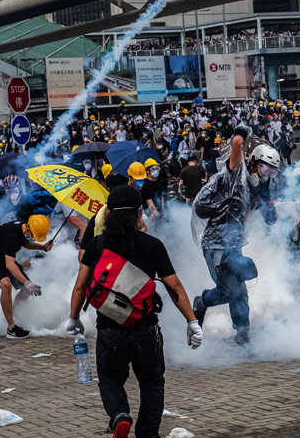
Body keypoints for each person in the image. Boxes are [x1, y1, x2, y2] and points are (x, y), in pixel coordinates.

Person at [65, 185, 202, 438]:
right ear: (139, 212)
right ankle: (148, 433)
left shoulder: (96, 245)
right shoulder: (153, 245)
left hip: (109, 330)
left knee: (109, 380)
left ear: (107, 214)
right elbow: (174, 286)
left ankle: (119, 416)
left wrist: (74, 318)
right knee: (152, 384)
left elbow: (81, 286)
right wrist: (192, 321)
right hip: (145, 330)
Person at [192, 126, 278, 348]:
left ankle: (242, 333)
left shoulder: (257, 189)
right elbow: (237, 144)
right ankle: (201, 302)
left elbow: (270, 219)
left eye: (272, 172)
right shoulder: (235, 176)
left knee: (240, 291)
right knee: (229, 291)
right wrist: (242, 132)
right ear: (253, 163)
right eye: (265, 169)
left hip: (233, 246)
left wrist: (268, 205)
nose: (268, 175)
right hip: (215, 245)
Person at [0, 214, 53, 339]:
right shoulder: (11, 234)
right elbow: (10, 265)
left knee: (26, 290)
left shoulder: (24, 227)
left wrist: (42, 247)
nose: (34, 238)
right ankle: (11, 329)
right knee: (6, 285)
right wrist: (27, 282)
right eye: (33, 235)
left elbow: (25, 243)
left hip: (1, 256)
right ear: (28, 228)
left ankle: (12, 316)